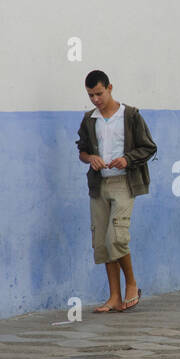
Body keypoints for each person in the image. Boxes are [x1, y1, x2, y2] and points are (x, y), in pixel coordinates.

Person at [75, 70, 158, 313]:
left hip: (124, 183)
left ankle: (132, 284)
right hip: (99, 185)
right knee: (101, 242)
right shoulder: (89, 119)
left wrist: (127, 159)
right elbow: (81, 151)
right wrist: (91, 158)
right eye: (91, 95)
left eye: (99, 93)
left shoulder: (130, 115)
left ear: (110, 87)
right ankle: (114, 296)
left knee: (117, 238)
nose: (96, 100)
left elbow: (149, 147)